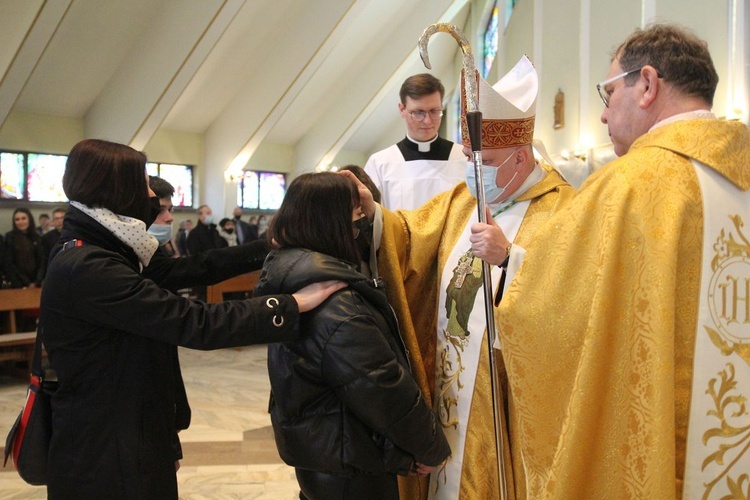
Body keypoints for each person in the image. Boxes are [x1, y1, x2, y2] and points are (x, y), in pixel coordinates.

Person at [493, 24, 750, 499]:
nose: (605, 114)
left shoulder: (629, 185)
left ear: (647, 85)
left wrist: (512, 267)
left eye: (609, 93)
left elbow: (547, 309)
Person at [40, 139, 345, 499]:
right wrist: (287, 305)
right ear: (116, 190)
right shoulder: (88, 266)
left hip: (131, 427)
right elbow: (191, 321)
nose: (150, 193)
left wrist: (270, 245)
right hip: (106, 445)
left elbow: (190, 268)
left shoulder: (107, 246)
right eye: (142, 183)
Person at [347, 55, 575, 500]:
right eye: (470, 159)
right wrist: (372, 210)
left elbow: (574, 297)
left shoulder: (563, 210)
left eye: (485, 161)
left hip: (508, 395)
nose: (475, 173)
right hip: (451, 383)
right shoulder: (462, 199)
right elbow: (409, 235)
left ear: (520, 157)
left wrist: (511, 260)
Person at [257, 172, 451, 500]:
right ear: (330, 222)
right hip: (350, 467)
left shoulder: (293, 272)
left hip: (323, 453)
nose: (361, 225)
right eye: (357, 215)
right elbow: (379, 384)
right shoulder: (337, 302)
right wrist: (428, 446)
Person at [364, 73, 466, 211]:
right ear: (402, 110)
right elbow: (371, 217)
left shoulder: (464, 157)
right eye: (418, 112)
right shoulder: (380, 163)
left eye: (434, 111)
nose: (427, 121)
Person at [3, 207, 45, 289]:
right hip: (17, 284)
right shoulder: (10, 237)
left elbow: (42, 261)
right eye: (17, 219)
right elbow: (9, 264)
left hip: (36, 284)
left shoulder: (37, 237)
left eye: (23, 218)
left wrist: (36, 282)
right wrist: (25, 283)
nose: (20, 222)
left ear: (29, 219)